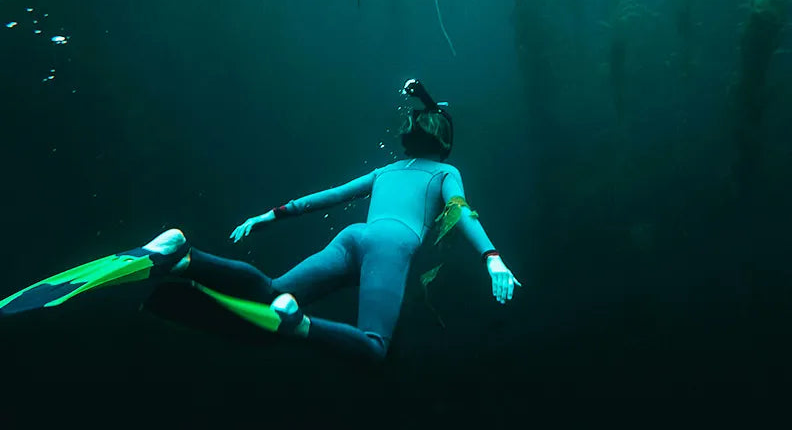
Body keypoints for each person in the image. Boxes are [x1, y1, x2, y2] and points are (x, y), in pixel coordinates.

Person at [0, 79, 520, 363]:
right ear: (444, 141)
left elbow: (328, 197)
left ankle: (181, 255)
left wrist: (268, 215)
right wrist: (492, 258)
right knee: (372, 347)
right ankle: (297, 323)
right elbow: (460, 211)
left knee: (268, 290)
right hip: (390, 244)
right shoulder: (445, 172)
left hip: (353, 236)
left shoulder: (387, 170)